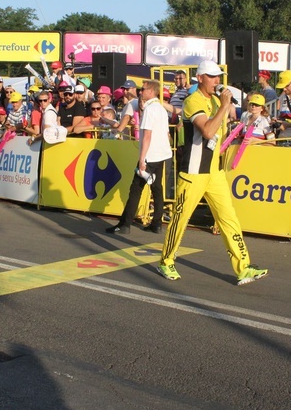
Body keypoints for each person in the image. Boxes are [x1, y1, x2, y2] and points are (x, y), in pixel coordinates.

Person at [158, 60, 268, 286]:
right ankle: (166, 260)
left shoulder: (218, 100)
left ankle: (243, 267)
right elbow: (208, 131)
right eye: (212, 76)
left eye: (218, 77)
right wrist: (223, 107)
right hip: (193, 172)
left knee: (229, 218)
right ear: (200, 78)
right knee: (180, 218)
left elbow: (222, 132)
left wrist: (229, 109)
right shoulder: (192, 101)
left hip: (214, 171)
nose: (217, 81)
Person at [107, 80, 172, 235]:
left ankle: (125, 224)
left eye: (142, 89)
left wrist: (142, 159)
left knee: (136, 189)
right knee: (157, 188)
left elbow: (147, 135)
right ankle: (156, 223)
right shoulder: (160, 109)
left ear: (151, 91)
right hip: (161, 153)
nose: (140, 92)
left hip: (150, 154)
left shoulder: (150, 109)